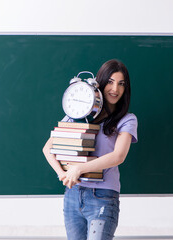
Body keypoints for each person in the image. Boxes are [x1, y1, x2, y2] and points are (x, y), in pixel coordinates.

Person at [43, 59, 138, 240]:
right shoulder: (78, 113)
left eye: (121, 84)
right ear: (100, 83)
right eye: (110, 82)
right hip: (73, 195)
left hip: (103, 197)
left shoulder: (127, 120)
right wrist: (62, 174)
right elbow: (48, 148)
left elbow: (118, 156)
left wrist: (79, 168)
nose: (115, 89)